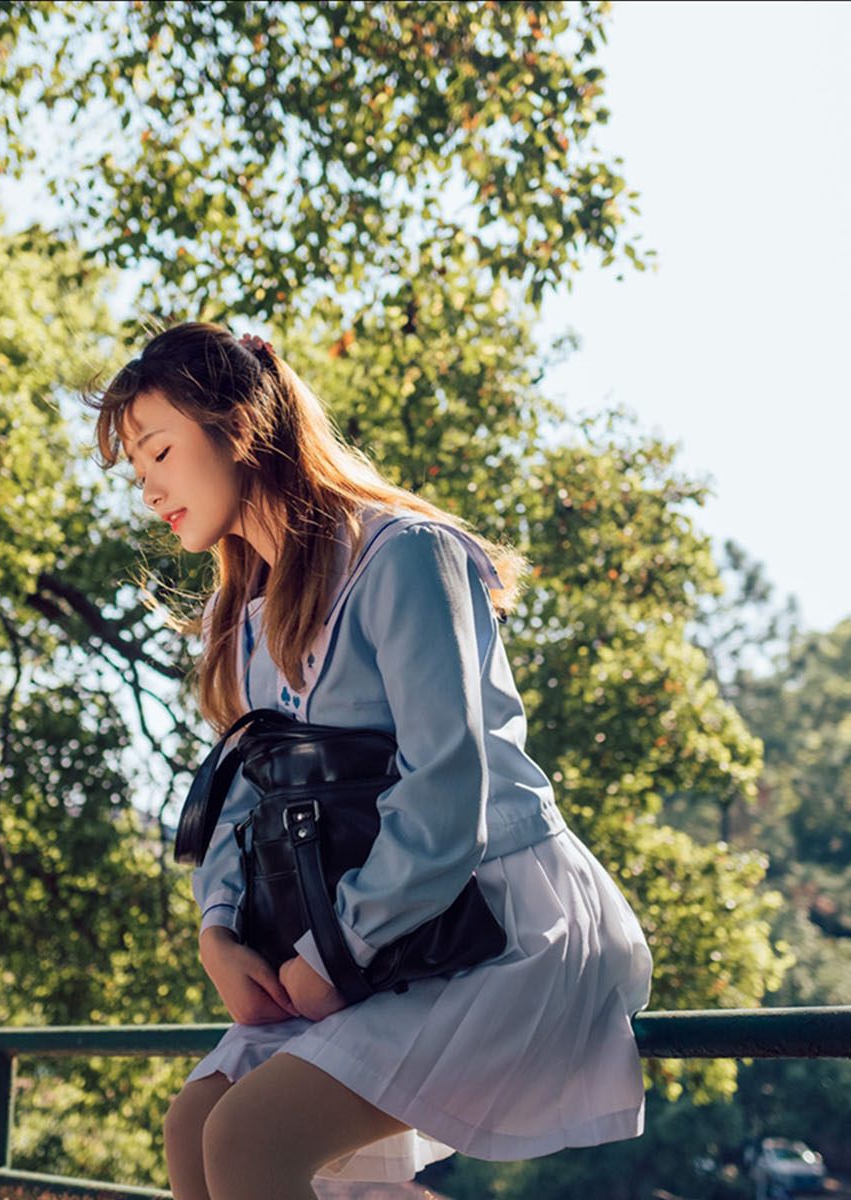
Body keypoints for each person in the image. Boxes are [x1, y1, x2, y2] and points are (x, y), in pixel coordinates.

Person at [88, 321, 655, 1200]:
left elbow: (447, 788)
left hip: (495, 919)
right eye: (137, 467)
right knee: (192, 1123)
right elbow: (242, 803)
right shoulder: (242, 619)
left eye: (159, 450)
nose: (149, 486)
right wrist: (219, 934)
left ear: (236, 425)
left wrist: (339, 951)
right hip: (369, 932)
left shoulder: (405, 556)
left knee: (247, 1137)